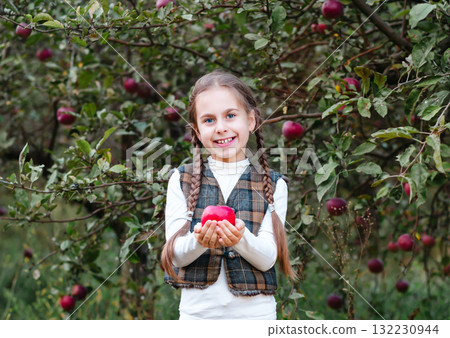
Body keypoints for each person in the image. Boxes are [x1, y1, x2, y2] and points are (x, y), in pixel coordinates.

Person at [161, 70, 297, 320]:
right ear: (197, 131)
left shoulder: (274, 185)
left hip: (256, 318)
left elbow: (267, 258)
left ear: (251, 121)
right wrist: (200, 240)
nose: (221, 128)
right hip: (197, 318)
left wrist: (239, 237)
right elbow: (176, 255)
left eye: (231, 116)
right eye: (209, 120)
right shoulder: (181, 180)